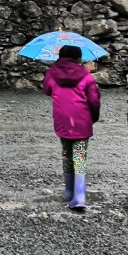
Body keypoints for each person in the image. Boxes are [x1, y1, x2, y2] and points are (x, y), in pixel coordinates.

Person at [43, 44, 101, 210]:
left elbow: (47, 90)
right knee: (80, 157)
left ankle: (69, 192)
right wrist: (93, 117)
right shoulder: (86, 76)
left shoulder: (51, 73)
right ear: (78, 58)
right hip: (81, 121)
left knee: (67, 154)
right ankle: (79, 197)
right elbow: (94, 101)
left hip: (62, 121)